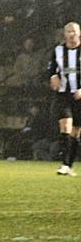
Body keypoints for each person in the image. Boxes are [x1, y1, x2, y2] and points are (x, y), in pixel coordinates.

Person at [48, 22, 81, 176]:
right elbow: (50, 69)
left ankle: (69, 164)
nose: (71, 34)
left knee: (76, 131)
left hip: (79, 95)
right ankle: (64, 165)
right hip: (63, 94)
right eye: (68, 31)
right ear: (64, 34)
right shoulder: (58, 50)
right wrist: (53, 76)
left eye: (74, 31)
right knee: (66, 125)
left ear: (79, 33)